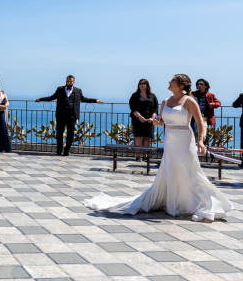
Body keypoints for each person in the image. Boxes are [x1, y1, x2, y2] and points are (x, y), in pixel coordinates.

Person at [85, 74, 234, 222]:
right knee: (170, 171)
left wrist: (200, 141)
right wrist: (156, 122)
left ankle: (203, 203)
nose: (169, 81)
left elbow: (200, 122)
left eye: (173, 80)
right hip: (170, 140)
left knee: (191, 171)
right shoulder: (165, 101)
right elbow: (161, 122)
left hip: (185, 140)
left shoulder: (189, 101)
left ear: (182, 85)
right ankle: (174, 203)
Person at [35, 75, 104, 156]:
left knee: (70, 133)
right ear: (66, 81)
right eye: (67, 81)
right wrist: (40, 99)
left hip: (72, 115)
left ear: (73, 82)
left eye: (70, 81)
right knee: (59, 133)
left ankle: (67, 150)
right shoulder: (60, 89)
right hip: (61, 115)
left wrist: (96, 100)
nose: (69, 82)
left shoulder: (78, 91)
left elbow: (84, 99)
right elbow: (51, 97)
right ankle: (59, 149)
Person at [129, 79, 159, 161]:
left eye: (144, 83)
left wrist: (152, 118)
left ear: (147, 85)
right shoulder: (135, 95)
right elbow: (133, 108)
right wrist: (140, 117)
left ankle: (145, 156)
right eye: (140, 83)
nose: (142, 85)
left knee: (146, 138)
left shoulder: (152, 96)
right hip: (138, 120)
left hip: (149, 120)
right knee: (138, 137)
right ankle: (138, 156)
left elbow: (156, 109)